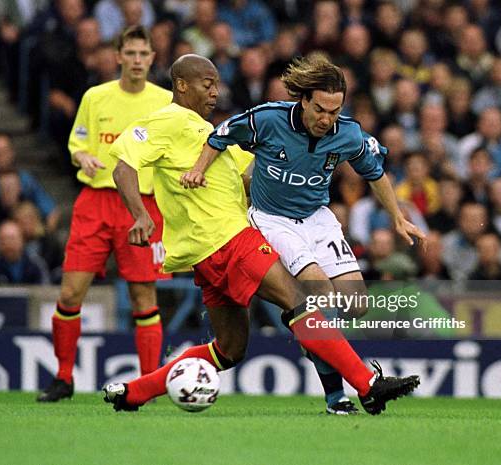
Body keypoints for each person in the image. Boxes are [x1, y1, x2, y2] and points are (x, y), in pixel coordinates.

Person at [105, 54, 420, 415]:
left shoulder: (204, 131)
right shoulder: (164, 121)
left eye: (217, 85)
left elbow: (248, 177)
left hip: (208, 251)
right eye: (207, 85)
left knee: (229, 349)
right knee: (302, 301)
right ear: (181, 85)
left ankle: (132, 393)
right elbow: (124, 167)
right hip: (228, 239)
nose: (215, 92)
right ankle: (366, 385)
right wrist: (140, 215)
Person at [36, 26, 173, 402]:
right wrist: (83, 155)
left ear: (152, 58)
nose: (137, 60)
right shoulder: (96, 97)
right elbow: (77, 143)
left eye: (143, 54)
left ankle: (147, 384)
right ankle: (63, 378)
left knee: (144, 297)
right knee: (70, 291)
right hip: (96, 201)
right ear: (117, 57)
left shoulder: (165, 102)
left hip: (142, 206)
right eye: (130, 53)